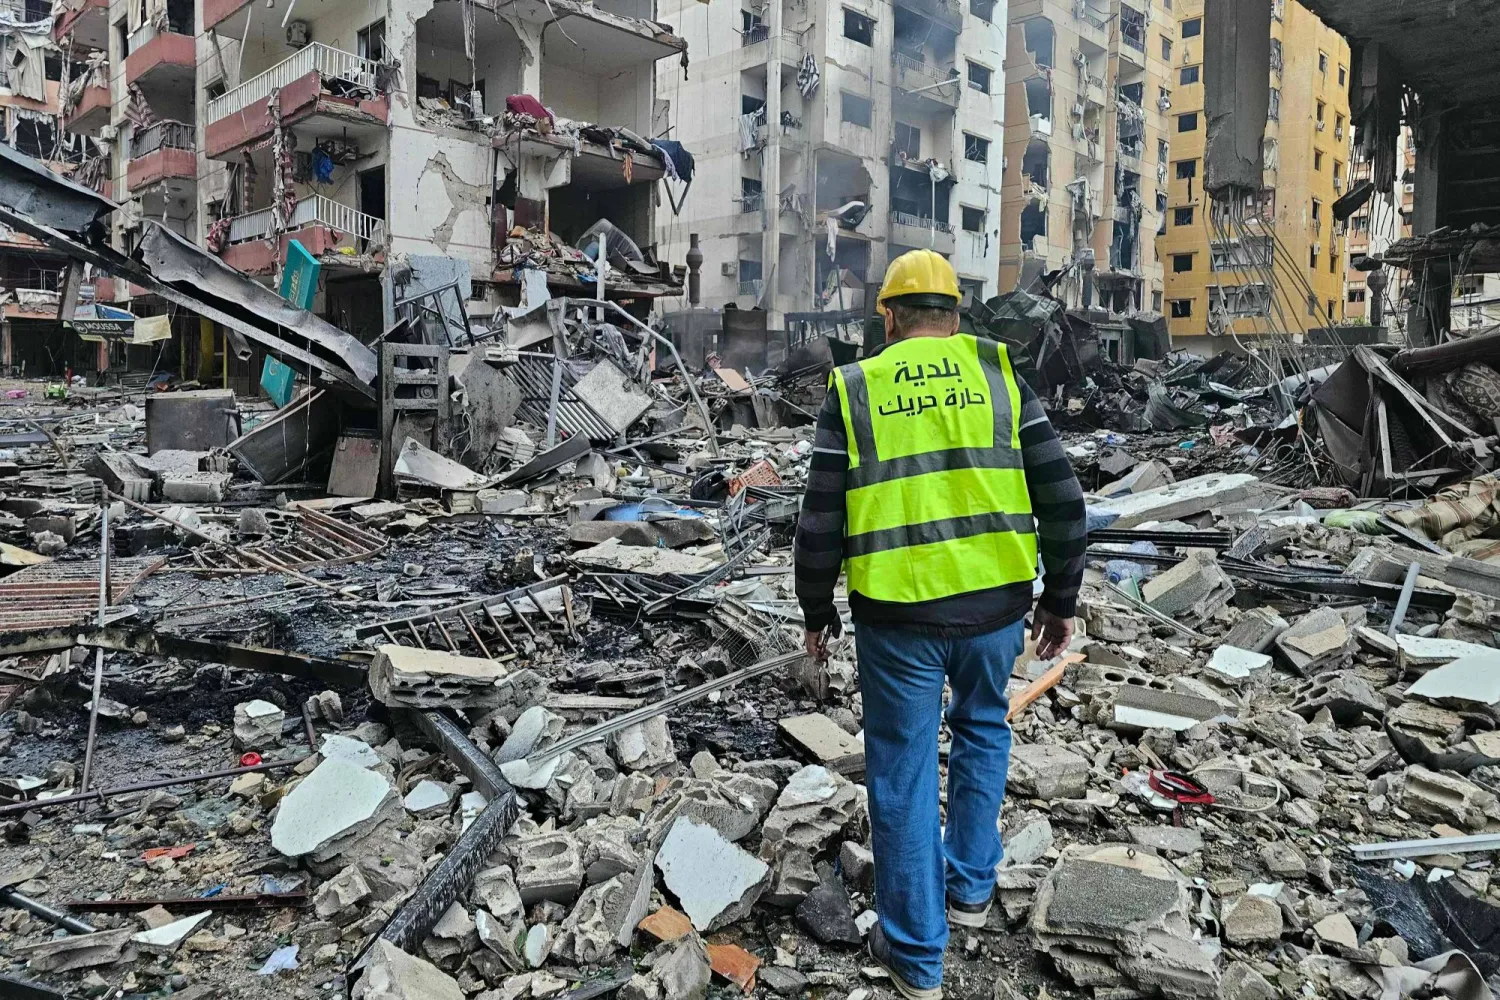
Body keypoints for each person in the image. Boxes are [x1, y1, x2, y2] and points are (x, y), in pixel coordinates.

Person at [793, 249, 1086, 1000]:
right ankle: (970, 894)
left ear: (888, 319)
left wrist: (815, 610)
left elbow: (820, 515)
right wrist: (1061, 598)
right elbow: (1062, 496)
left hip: (900, 621)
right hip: (996, 610)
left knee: (904, 770)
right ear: (957, 315)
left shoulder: (856, 386)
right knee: (985, 730)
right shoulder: (997, 374)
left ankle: (920, 961)